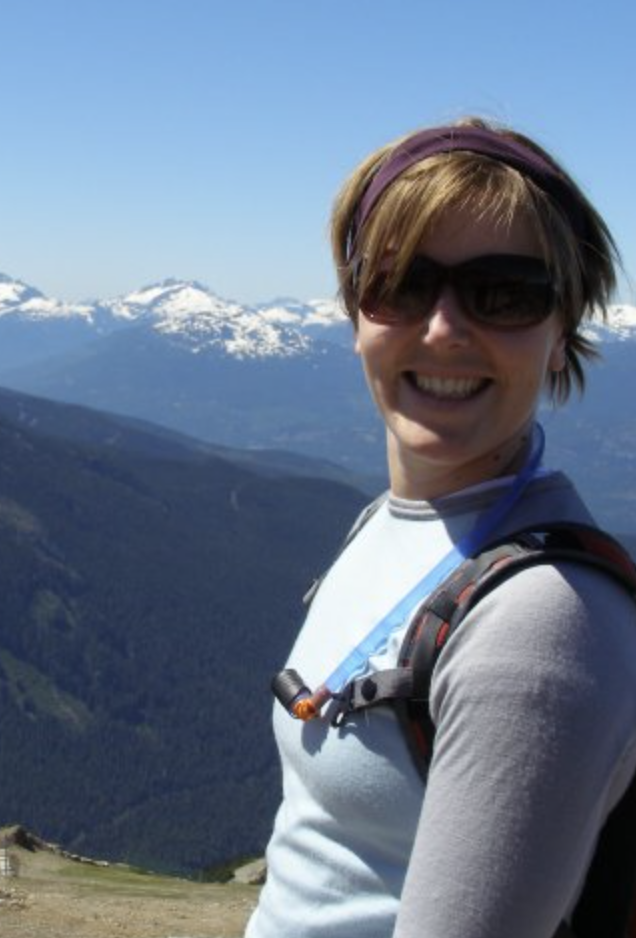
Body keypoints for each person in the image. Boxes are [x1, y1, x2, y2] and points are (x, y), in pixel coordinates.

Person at [245, 118, 636, 938]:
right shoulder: (389, 525)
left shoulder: (540, 626)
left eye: (504, 293)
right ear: (357, 313)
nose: (445, 329)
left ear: (561, 332)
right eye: (402, 283)